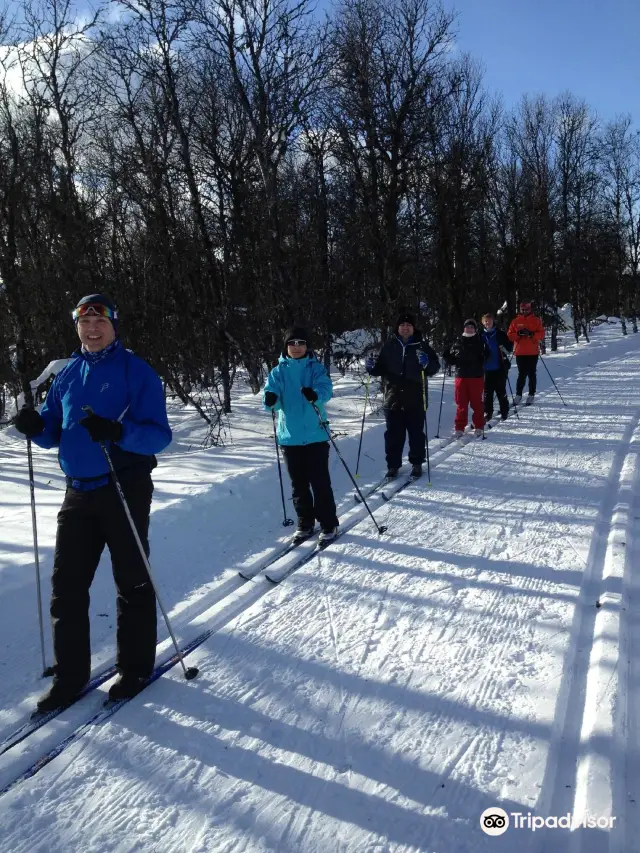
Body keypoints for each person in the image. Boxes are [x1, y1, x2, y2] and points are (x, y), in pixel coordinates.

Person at [14, 293, 172, 712]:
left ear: (114, 326)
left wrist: (119, 434)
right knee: (66, 586)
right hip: (78, 490)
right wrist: (34, 427)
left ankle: (136, 668)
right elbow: (53, 431)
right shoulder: (67, 376)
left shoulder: (136, 371)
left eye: (100, 322)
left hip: (124, 484)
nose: (93, 329)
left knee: (132, 579)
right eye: (85, 323)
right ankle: (70, 677)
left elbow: (159, 434)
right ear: (77, 328)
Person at [263, 326, 339, 545]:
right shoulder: (278, 371)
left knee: (320, 482)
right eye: (292, 343)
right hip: (290, 436)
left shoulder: (315, 368)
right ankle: (305, 523)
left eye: (300, 343)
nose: (296, 347)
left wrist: (316, 395)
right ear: (285, 346)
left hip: (315, 434)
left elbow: (326, 390)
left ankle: (328, 523)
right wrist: (270, 400)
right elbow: (273, 398)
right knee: (298, 484)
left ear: (307, 346)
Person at [365, 312, 440, 479]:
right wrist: (371, 367)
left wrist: (427, 363)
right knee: (393, 435)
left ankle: (417, 463)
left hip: (415, 397)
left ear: (413, 328)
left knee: (416, 434)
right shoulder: (389, 346)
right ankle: (393, 466)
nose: (405, 328)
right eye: (402, 325)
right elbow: (379, 369)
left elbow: (434, 367)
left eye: (408, 325)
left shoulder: (422, 346)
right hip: (393, 397)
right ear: (397, 328)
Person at [443, 319, 490, 438]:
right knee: (461, 403)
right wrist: (447, 355)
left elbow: (487, 355)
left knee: (477, 404)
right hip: (461, 377)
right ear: (464, 329)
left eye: (471, 327)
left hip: (476, 377)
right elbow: (452, 359)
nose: (469, 329)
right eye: (467, 327)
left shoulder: (480, 342)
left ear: (475, 329)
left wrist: (484, 356)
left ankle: (479, 426)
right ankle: (459, 427)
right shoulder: (458, 342)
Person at [507, 301, 545, 405]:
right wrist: (518, 334)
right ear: (520, 310)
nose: (524, 311)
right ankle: (518, 395)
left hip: (532, 351)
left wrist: (532, 334)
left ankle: (531, 394)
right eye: (522, 310)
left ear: (530, 309)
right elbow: (510, 335)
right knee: (522, 374)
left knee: (532, 373)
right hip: (520, 352)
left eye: (526, 310)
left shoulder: (536, 320)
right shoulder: (515, 321)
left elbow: (541, 334)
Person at [480, 312, 513, 423]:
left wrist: (503, 348)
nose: (487, 323)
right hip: (486, 369)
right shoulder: (480, 335)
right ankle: (487, 413)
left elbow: (510, 347)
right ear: (483, 323)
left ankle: (504, 411)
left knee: (500, 391)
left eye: (489, 320)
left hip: (500, 367)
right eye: (485, 321)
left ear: (493, 321)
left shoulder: (499, 334)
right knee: (487, 393)